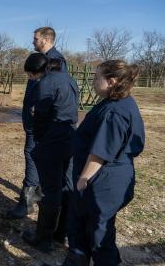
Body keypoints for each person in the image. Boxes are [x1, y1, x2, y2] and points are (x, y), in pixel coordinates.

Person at [61, 60, 145, 266]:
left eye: (96, 78)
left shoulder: (115, 112)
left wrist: (83, 178)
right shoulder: (113, 101)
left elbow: (101, 153)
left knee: (99, 235)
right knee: (79, 225)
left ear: (111, 81)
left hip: (102, 181)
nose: (92, 82)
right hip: (102, 178)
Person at [7, 26, 68, 219]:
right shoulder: (42, 59)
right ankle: (36, 196)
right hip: (34, 120)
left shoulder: (54, 61)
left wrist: (39, 113)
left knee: (33, 157)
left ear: (46, 39)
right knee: (33, 157)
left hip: (40, 123)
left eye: (35, 39)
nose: (32, 42)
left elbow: (53, 94)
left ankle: (27, 202)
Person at [20, 53, 78, 253]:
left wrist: (39, 139)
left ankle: (43, 238)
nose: (30, 79)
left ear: (35, 71)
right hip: (70, 135)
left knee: (51, 189)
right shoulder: (69, 79)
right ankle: (60, 233)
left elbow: (41, 117)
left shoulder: (45, 84)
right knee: (66, 184)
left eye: (30, 75)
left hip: (53, 138)